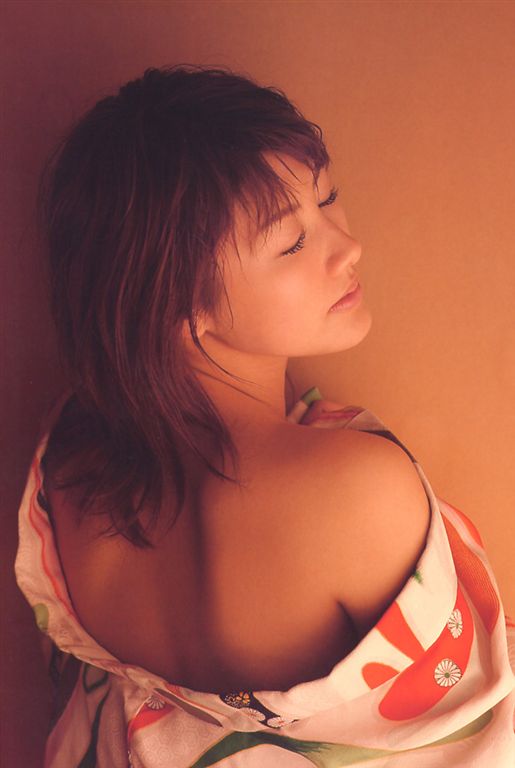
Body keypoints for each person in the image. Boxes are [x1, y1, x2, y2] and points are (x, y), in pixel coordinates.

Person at [15, 64, 514, 767]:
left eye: (327, 199)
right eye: (291, 243)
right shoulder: (350, 489)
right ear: (177, 305)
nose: (347, 246)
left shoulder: (67, 470)